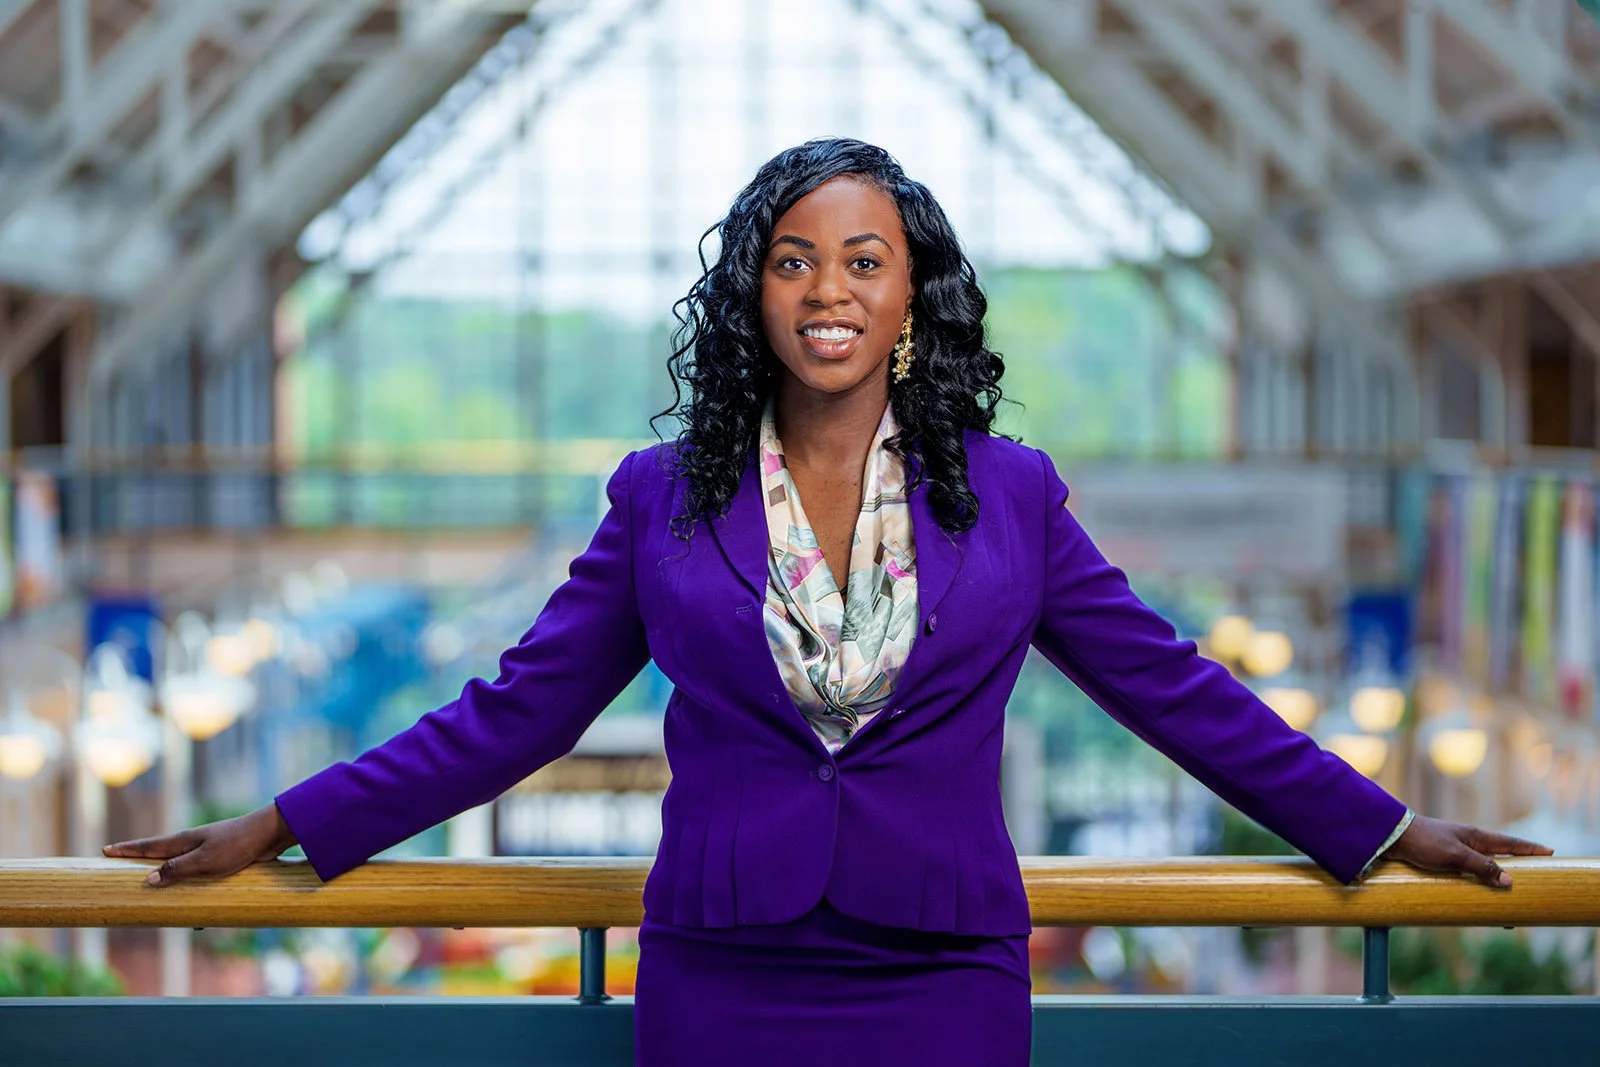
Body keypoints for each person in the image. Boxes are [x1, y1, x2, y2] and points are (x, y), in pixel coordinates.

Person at [105, 139, 1549, 1066]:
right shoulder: (663, 493)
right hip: (725, 967)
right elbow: (519, 711)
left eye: (865, 259)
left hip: (941, 966)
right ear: (754, 295)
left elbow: (1170, 688)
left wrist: (1381, 819)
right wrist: (292, 816)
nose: (828, 288)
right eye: (794, 259)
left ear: (914, 295)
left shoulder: (1015, 494)